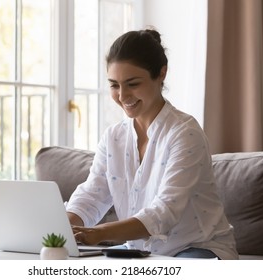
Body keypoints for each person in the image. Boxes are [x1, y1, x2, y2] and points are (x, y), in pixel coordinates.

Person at [65, 28, 238, 260]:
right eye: (114, 85)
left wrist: (97, 233)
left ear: (161, 74)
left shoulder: (185, 133)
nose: (123, 95)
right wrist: (60, 227)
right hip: (141, 251)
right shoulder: (113, 137)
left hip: (198, 248)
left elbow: (164, 212)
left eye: (133, 83)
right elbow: (92, 196)